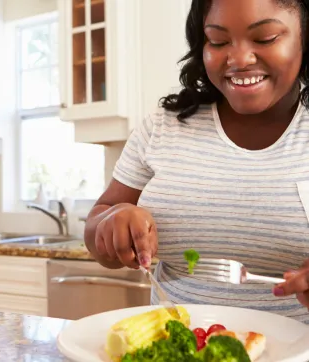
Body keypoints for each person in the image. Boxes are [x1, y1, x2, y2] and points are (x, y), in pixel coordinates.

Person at [84, 0, 309, 324]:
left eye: (265, 38)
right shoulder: (163, 127)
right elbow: (97, 224)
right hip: (177, 348)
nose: (240, 59)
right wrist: (112, 222)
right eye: (218, 41)